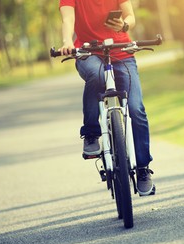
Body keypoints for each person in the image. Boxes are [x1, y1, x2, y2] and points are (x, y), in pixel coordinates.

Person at [58, 0, 155, 196]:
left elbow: (130, 16)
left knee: (136, 109)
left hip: (121, 51)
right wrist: (67, 41)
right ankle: (92, 133)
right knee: (97, 74)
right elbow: (68, 18)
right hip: (88, 52)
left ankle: (143, 168)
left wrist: (124, 25)